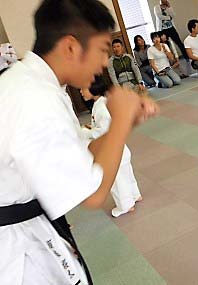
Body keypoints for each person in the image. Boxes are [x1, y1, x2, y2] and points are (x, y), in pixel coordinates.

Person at [0, 0, 159, 284]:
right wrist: (119, 122)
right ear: (71, 47)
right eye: (102, 51)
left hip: (26, 224)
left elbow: (82, 154)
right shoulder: (35, 98)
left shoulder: (39, 84)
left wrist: (121, 126)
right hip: (12, 245)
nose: (104, 62)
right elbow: (93, 194)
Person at [81, 76, 142, 217]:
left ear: (93, 88)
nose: (81, 92)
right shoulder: (102, 103)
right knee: (127, 174)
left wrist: (86, 132)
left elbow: (103, 131)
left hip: (113, 151)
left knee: (118, 180)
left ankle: (125, 205)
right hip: (121, 148)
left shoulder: (101, 107)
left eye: (83, 89)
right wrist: (92, 127)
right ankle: (135, 195)